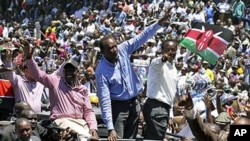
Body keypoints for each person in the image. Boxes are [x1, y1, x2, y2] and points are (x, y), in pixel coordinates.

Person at [95, 10, 171, 140]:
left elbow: (142, 37)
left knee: (131, 139)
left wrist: (159, 24)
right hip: (118, 109)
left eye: (115, 46)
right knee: (118, 138)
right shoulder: (101, 71)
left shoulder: (123, 49)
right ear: (103, 51)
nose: (115, 50)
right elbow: (105, 100)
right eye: (110, 48)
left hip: (134, 104)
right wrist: (110, 128)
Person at [21, 39, 99, 141]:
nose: (69, 72)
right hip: (61, 122)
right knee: (81, 138)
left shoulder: (83, 89)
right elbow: (38, 75)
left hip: (81, 123)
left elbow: (88, 111)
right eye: (67, 70)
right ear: (63, 71)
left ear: (77, 71)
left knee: (90, 136)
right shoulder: (55, 82)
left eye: (72, 70)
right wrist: (29, 58)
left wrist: (93, 127)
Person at [142, 39, 178, 140]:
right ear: (162, 50)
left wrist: (170, 115)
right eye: (168, 49)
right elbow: (157, 63)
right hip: (156, 107)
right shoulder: (157, 63)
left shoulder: (173, 68)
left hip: (164, 109)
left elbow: (170, 94)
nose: (171, 52)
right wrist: (162, 59)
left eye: (173, 49)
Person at [3, 49, 45, 114]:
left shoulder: (41, 82)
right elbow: (9, 73)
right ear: (26, 70)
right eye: (34, 70)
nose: (37, 73)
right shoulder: (18, 80)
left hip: (36, 118)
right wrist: (8, 59)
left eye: (38, 70)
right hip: (21, 118)